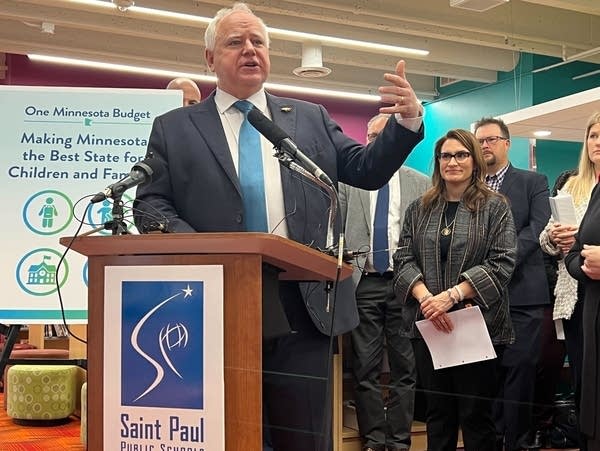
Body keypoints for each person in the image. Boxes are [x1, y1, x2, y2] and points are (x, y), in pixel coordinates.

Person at [133, 3, 424, 450]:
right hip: (218, 297)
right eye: (235, 42)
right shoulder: (175, 127)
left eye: (258, 42)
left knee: (304, 434)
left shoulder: (308, 118)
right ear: (210, 58)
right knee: (234, 429)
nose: (250, 50)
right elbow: (150, 202)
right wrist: (207, 250)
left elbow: (365, 170)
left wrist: (406, 123)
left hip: (302, 302)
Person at [393, 129, 517, 451]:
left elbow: (502, 262)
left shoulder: (495, 207)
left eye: (461, 155)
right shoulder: (419, 208)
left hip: (477, 325)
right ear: (438, 162)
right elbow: (403, 258)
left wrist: (452, 296)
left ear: (474, 160)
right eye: (446, 156)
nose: (452, 162)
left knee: (476, 416)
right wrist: (426, 300)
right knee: (438, 414)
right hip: (429, 324)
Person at [338, 113, 429, 451]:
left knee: (406, 368)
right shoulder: (349, 182)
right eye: (372, 137)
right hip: (364, 283)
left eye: (383, 136)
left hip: (406, 285)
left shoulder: (421, 183)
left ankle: (400, 440)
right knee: (365, 368)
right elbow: (339, 231)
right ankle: (374, 440)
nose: (376, 143)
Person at [473, 117, 551, 451]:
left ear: (507, 143)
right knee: (485, 378)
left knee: (519, 373)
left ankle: (516, 443)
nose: (485, 146)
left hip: (523, 294)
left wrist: (498, 265)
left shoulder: (533, 182)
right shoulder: (468, 185)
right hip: (478, 298)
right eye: (480, 141)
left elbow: (536, 228)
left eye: (491, 139)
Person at [538, 113, 600, 449]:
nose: (597, 143)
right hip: (574, 295)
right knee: (582, 378)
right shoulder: (570, 183)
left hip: (596, 282)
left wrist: (581, 239)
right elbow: (546, 240)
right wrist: (557, 238)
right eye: (592, 136)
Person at [564, 112, 600, 450]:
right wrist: (584, 264)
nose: (598, 142)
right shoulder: (593, 190)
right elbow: (574, 252)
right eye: (593, 136)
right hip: (591, 308)